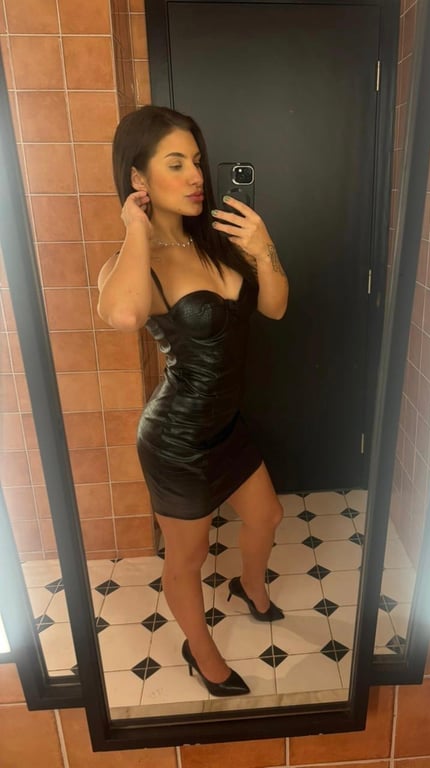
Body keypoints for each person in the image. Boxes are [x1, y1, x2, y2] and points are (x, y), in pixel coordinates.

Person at [97, 105, 289, 697]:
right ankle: (200, 652)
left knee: (267, 516)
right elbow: (124, 315)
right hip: (176, 441)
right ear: (138, 177)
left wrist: (264, 247)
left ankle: (249, 587)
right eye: (175, 164)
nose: (196, 177)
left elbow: (275, 306)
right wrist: (136, 229)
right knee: (189, 555)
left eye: (197, 162)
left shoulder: (219, 243)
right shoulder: (134, 264)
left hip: (226, 426)